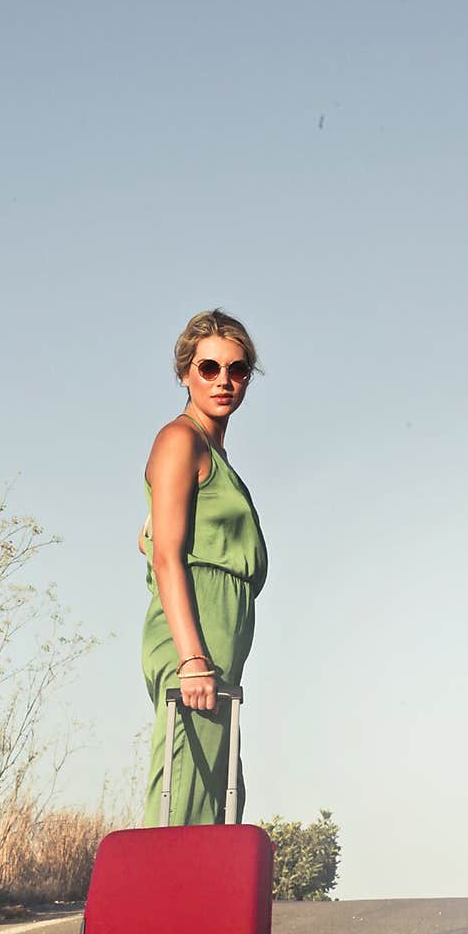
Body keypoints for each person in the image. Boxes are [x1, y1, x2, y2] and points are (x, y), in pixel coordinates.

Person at [138, 308, 268, 825]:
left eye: (237, 370)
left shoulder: (214, 451)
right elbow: (168, 555)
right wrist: (193, 658)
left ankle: (198, 910)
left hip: (220, 639)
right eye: (209, 367)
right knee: (184, 797)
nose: (224, 381)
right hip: (196, 640)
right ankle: (149, 908)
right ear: (184, 372)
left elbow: (163, 534)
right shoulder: (180, 439)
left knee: (219, 802)